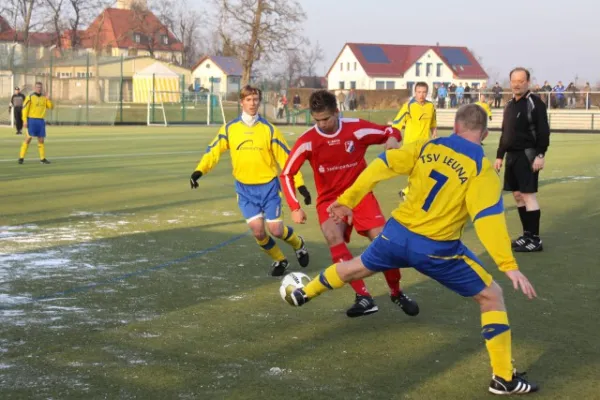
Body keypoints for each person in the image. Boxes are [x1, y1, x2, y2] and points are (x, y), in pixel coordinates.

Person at [283, 104, 539, 396]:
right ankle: (503, 378)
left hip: (395, 235)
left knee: (356, 266)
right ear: (485, 133)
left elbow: (382, 164)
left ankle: (306, 292)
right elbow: (488, 220)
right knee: (491, 296)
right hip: (434, 250)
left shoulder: (427, 146)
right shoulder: (481, 168)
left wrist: (347, 199)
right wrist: (508, 265)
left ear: (454, 127)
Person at [280, 90, 419, 318]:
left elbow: (389, 130)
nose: (322, 124)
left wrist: (393, 138)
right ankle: (363, 297)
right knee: (333, 236)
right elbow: (286, 173)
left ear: (337, 111)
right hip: (329, 200)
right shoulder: (308, 141)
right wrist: (295, 207)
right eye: (317, 120)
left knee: (384, 241)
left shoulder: (356, 128)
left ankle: (396, 292)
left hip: (360, 195)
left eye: (326, 118)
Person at [190, 85, 312, 276]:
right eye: (248, 100)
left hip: (269, 188)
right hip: (245, 190)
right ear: (242, 102)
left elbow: (287, 160)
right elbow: (213, 151)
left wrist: (300, 185)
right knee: (258, 232)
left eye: (255, 99)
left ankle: (299, 244)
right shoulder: (230, 128)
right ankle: (280, 260)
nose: (252, 103)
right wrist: (199, 171)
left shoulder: (269, 129)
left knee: (277, 230)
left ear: (259, 101)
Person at [494, 67, 550, 253]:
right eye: (514, 81)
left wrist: (540, 155)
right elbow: (506, 133)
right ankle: (526, 235)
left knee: (528, 196)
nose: (517, 84)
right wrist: (500, 156)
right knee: (518, 196)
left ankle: (535, 239)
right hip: (512, 157)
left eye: (520, 81)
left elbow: (543, 132)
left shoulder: (535, 103)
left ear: (527, 82)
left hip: (528, 156)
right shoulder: (509, 104)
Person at [392, 82, 437, 199]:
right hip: (411, 144)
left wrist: (434, 133)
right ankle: (409, 192)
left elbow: (433, 123)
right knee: (416, 170)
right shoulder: (408, 106)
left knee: (424, 169)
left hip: (425, 143)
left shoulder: (431, 106)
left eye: (424, 92)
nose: (421, 95)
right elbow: (397, 124)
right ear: (415, 92)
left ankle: (406, 192)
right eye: (419, 92)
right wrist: (393, 139)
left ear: (427, 93)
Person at [18, 82, 53, 164]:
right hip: (32, 120)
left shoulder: (44, 98)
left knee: (41, 140)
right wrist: (25, 120)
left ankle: (42, 159)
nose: (39, 89)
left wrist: (48, 99)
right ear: (34, 88)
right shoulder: (30, 97)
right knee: (28, 138)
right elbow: (25, 109)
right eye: (37, 87)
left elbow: (51, 107)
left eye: (40, 87)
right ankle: (21, 157)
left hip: (40, 121)